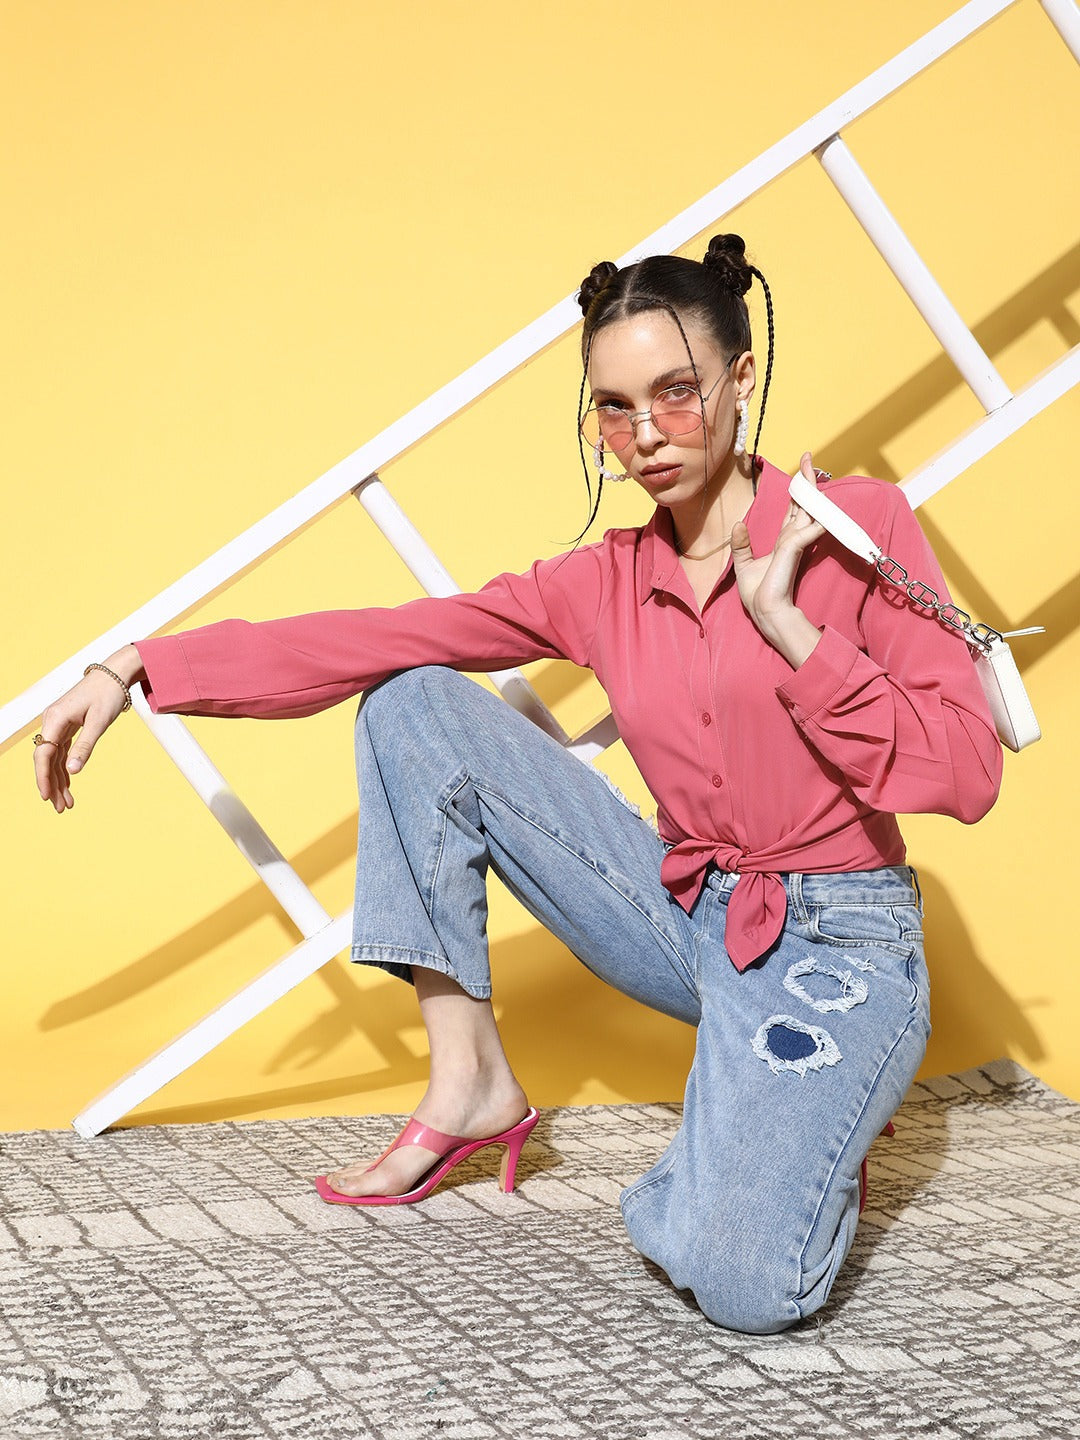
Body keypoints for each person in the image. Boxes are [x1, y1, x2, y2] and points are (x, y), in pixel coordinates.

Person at [33, 233, 1002, 1334]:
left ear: (742, 379)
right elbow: (387, 635)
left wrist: (791, 630)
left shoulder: (858, 528)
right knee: (413, 702)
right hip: (688, 910)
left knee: (743, 1285)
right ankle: (474, 1085)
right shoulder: (605, 580)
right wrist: (139, 665)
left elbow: (967, 772)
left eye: (676, 393)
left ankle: (799, 1128)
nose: (645, 436)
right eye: (615, 409)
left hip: (840, 941)